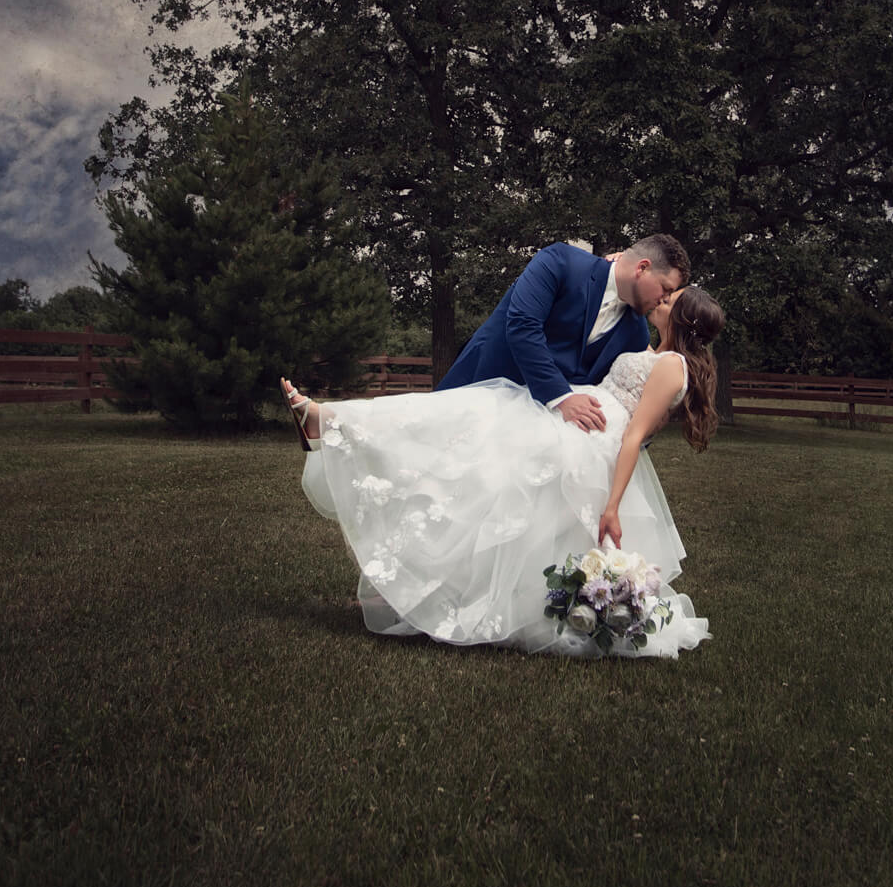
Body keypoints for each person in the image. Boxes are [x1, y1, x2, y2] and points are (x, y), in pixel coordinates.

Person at [281, 279, 725, 656]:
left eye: (671, 299)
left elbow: (634, 435)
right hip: (577, 421)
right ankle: (334, 421)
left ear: (684, 319)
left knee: (484, 443)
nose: (661, 299)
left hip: (590, 442)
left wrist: (612, 506)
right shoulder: (654, 350)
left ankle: (331, 422)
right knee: (476, 431)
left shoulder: (672, 366)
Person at [437, 234, 691, 432]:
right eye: (665, 288)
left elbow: (622, 390)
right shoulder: (560, 262)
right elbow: (523, 326)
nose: (665, 299)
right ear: (642, 268)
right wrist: (561, 396)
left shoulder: (636, 334)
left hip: (533, 435)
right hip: (479, 390)